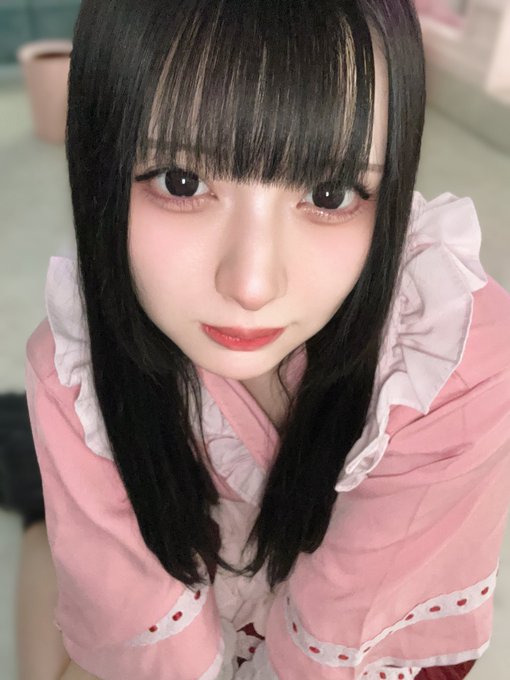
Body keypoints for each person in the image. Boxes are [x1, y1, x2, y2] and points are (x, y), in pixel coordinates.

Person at [17, 0, 510, 678]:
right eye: (182, 182)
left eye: (331, 195)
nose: (252, 284)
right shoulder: (74, 371)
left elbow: (346, 642)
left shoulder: (450, 361)